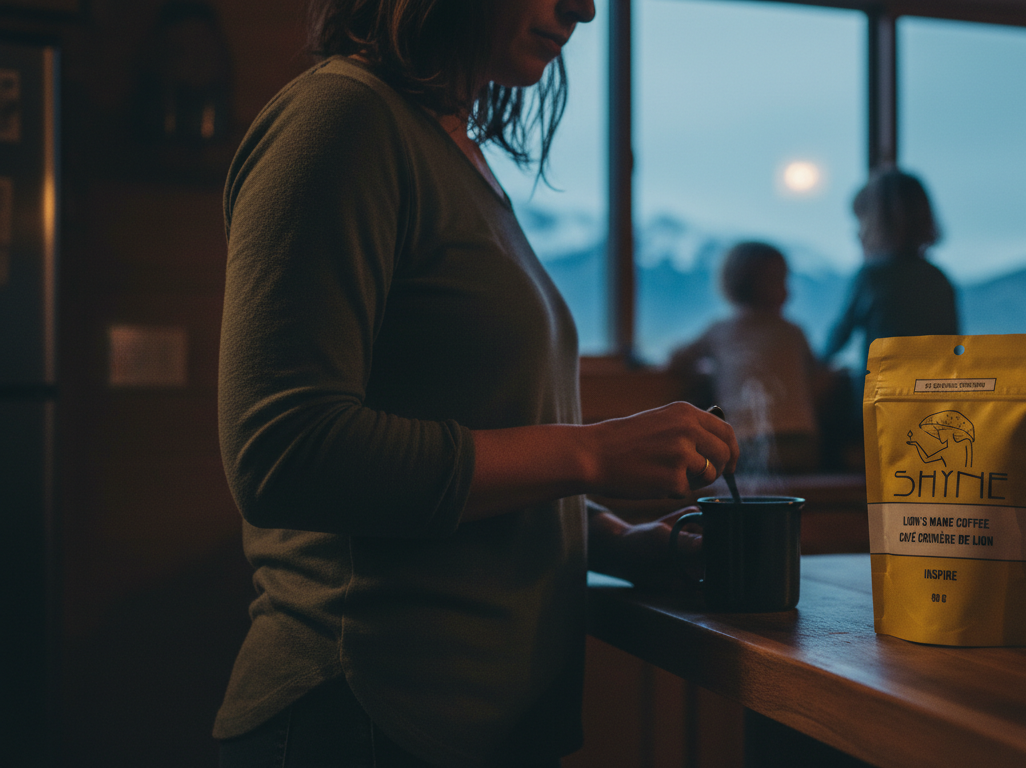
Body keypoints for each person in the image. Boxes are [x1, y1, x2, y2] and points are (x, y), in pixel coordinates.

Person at [212, 2, 737, 766]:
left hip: (482, 723)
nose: (584, 10)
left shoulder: (449, 150)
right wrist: (592, 453)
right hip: (367, 715)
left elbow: (474, 439)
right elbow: (283, 454)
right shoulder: (343, 118)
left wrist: (620, 544)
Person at [667, 242, 820, 475]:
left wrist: (710, 373)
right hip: (801, 444)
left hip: (743, 443)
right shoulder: (793, 332)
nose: (788, 289)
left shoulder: (720, 330)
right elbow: (815, 373)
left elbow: (677, 359)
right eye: (780, 280)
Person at [820, 167, 959, 364]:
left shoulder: (872, 277)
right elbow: (952, 346)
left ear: (877, 223)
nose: (857, 233)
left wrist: (813, 365)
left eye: (861, 222)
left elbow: (841, 334)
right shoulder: (939, 279)